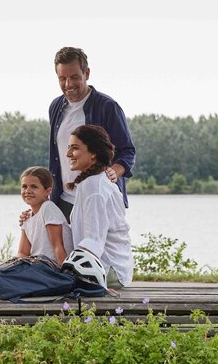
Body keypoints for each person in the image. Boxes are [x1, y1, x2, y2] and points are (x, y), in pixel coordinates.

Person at [48, 46, 136, 220]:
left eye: (74, 77)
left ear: (86, 73)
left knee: (96, 247)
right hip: (63, 200)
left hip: (98, 199)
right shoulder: (55, 107)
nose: (68, 84)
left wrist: (113, 172)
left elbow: (127, 151)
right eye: (62, 78)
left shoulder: (108, 107)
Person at [66, 124, 133, 287]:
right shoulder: (91, 182)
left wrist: (66, 269)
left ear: (94, 153)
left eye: (74, 148)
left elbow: (93, 241)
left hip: (108, 270)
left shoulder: (94, 187)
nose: (68, 154)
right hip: (108, 267)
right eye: (69, 148)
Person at [16, 166, 73, 266]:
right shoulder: (26, 217)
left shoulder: (48, 209)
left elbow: (58, 247)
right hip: (37, 267)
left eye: (34, 187)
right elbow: (22, 253)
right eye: (24, 186)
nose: (28, 191)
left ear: (47, 191)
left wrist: (66, 274)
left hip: (52, 267)